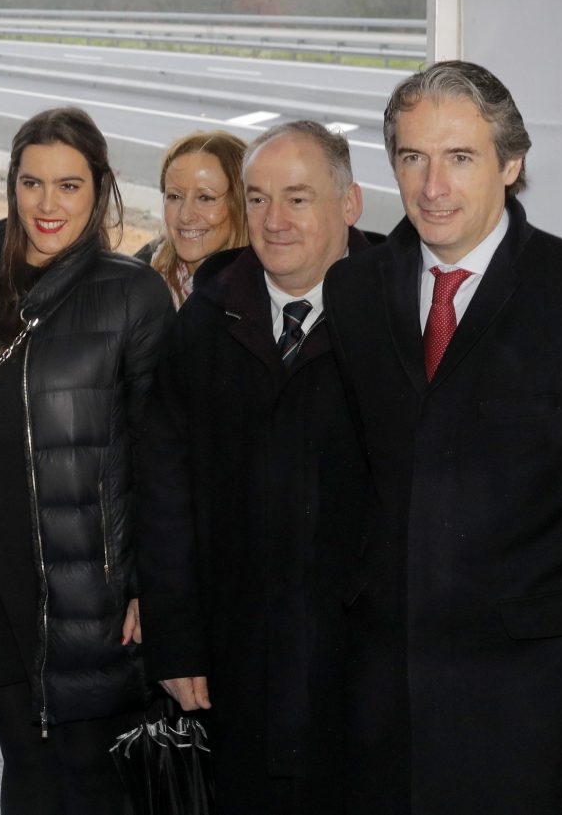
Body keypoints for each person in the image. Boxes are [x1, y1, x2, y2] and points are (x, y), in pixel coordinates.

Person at [324, 60, 562, 815]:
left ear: (512, 162)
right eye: (412, 158)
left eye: (459, 157)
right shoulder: (355, 288)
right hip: (384, 695)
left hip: (527, 696)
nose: (432, 186)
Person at [138, 120, 374, 814]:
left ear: (350, 203)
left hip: (364, 662)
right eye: (261, 198)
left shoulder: (401, 310)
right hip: (238, 661)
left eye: (298, 199)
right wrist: (176, 641)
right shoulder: (206, 321)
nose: (275, 221)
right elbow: (164, 489)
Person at [0, 107, 173, 814]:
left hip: (90, 590)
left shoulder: (130, 293)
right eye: (32, 183)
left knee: (94, 783)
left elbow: (161, 456)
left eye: (70, 185)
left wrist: (151, 583)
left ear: (100, 189)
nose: (48, 205)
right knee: (26, 769)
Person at [137, 130, 249, 306]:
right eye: (174, 196)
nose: (185, 215)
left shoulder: (265, 301)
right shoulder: (140, 277)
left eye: (205, 198)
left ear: (242, 204)